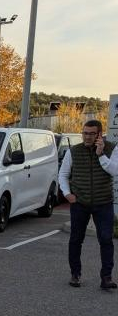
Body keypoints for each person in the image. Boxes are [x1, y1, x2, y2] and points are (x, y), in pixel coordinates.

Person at [58, 119, 116, 289]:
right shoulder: (73, 151)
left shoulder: (112, 148)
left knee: (106, 240)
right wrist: (67, 194)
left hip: (103, 202)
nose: (87, 137)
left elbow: (115, 170)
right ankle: (75, 274)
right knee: (76, 239)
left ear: (100, 134)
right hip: (80, 202)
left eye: (91, 133)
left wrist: (101, 155)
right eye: (85, 133)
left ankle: (106, 278)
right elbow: (63, 174)